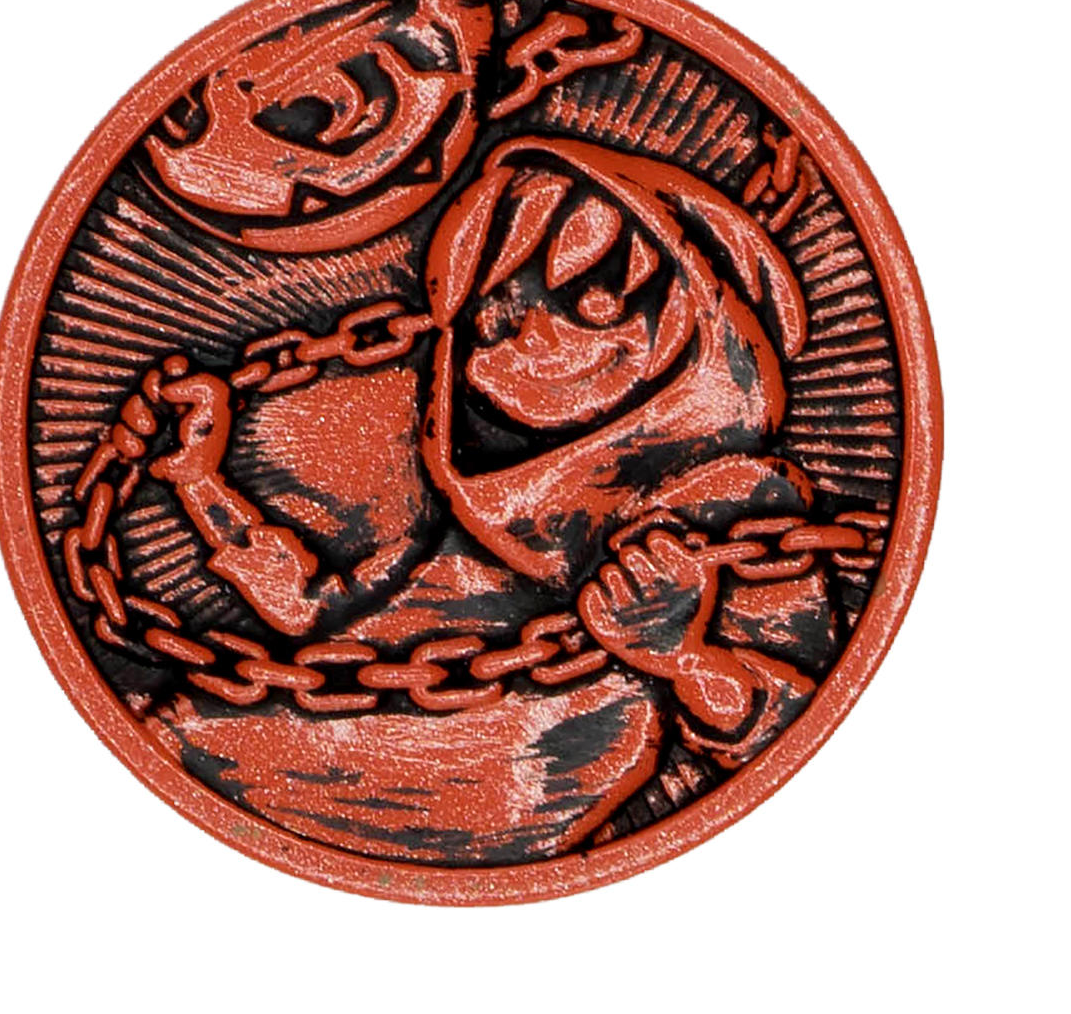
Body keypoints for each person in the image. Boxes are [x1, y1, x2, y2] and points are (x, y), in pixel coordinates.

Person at [136, 135, 836, 864]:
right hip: (250, 762)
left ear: (683, 342)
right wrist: (199, 481)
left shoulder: (732, 508)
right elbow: (318, 617)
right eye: (502, 283)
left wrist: (680, 657)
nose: (515, 320)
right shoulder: (478, 503)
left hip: (455, 818)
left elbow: (785, 725)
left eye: (585, 301)